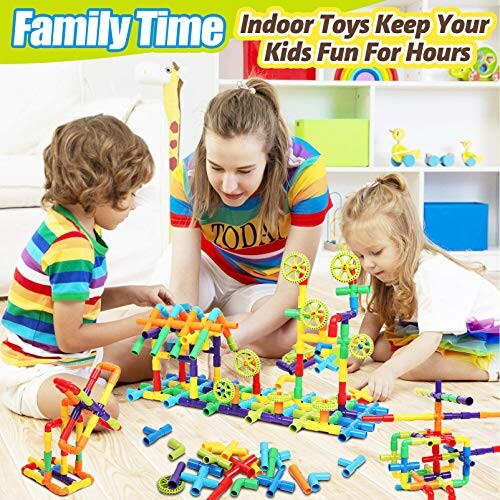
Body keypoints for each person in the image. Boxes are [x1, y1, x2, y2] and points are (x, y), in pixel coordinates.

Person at [0, 115, 173, 421]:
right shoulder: (70, 247)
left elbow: (75, 305)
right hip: (34, 372)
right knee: (105, 409)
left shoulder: (78, 226)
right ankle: (69, 388)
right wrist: (140, 322)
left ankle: (88, 379)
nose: (133, 205)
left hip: (73, 360)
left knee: (158, 357)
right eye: (128, 194)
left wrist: (134, 293)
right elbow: (71, 337)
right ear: (96, 193)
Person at [169, 78, 332, 357]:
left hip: (263, 284)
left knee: (303, 330)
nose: (228, 186)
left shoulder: (305, 173)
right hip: (209, 270)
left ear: (270, 156)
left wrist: (237, 336)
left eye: (244, 171)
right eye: (216, 167)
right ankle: (218, 325)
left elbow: (290, 290)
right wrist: (183, 327)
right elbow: (184, 286)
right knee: (164, 313)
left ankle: (219, 326)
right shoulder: (187, 175)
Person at [342, 173, 499, 401]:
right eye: (360, 255)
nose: (368, 263)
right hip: (439, 332)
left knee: (410, 368)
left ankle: (491, 371)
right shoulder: (386, 267)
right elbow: (375, 315)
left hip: (484, 338)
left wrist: (389, 371)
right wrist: (359, 351)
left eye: (375, 252)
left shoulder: (432, 273)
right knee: (377, 348)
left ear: (405, 239)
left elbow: (430, 339)